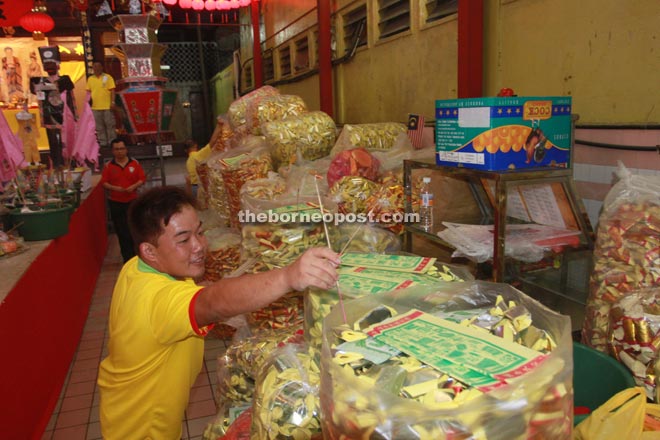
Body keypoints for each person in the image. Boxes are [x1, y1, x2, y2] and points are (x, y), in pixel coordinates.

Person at [97, 186, 339, 439]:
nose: (199, 246)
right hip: (141, 430)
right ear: (149, 250)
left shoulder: (137, 267)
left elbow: (197, 296)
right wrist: (289, 276)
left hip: (125, 410)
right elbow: (211, 302)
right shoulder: (156, 301)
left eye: (199, 232)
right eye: (183, 240)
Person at [100, 138, 145, 262]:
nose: (119, 151)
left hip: (133, 201)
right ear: (112, 151)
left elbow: (142, 178)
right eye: (116, 149)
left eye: (122, 148)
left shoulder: (134, 163)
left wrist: (134, 186)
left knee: (135, 229)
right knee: (121, 231)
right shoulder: (109, 166)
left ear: (126, 149)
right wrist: (116, 188)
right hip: (116, 202)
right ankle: (128, 260)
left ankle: (139, 258)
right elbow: (104, 183)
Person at [34, 60, 75, 168]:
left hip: (64, 114)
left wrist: (74, 114)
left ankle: (69, 162)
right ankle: (56, 164)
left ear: (58, 66)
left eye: (52, 66)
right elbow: (37, 93)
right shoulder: (41, 81)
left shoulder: (65, 79)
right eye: (47, 66)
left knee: (66, 139)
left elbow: (70, 94)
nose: (50, 68)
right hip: (50, 115)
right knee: (53, 141)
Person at [86, 61, 116, 147]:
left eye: (98, 66)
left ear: (102, 68)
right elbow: (88, 92)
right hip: (95, 107)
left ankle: (112, 142)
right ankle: (103, 142)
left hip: (107, 106)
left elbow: (112, 90)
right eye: (95, 66)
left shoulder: (108, 77)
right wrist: (87, 105)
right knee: (99, 127)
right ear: (93, 68)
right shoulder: (90, 79)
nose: (97, 68)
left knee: (110, 125)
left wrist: (113, 102)